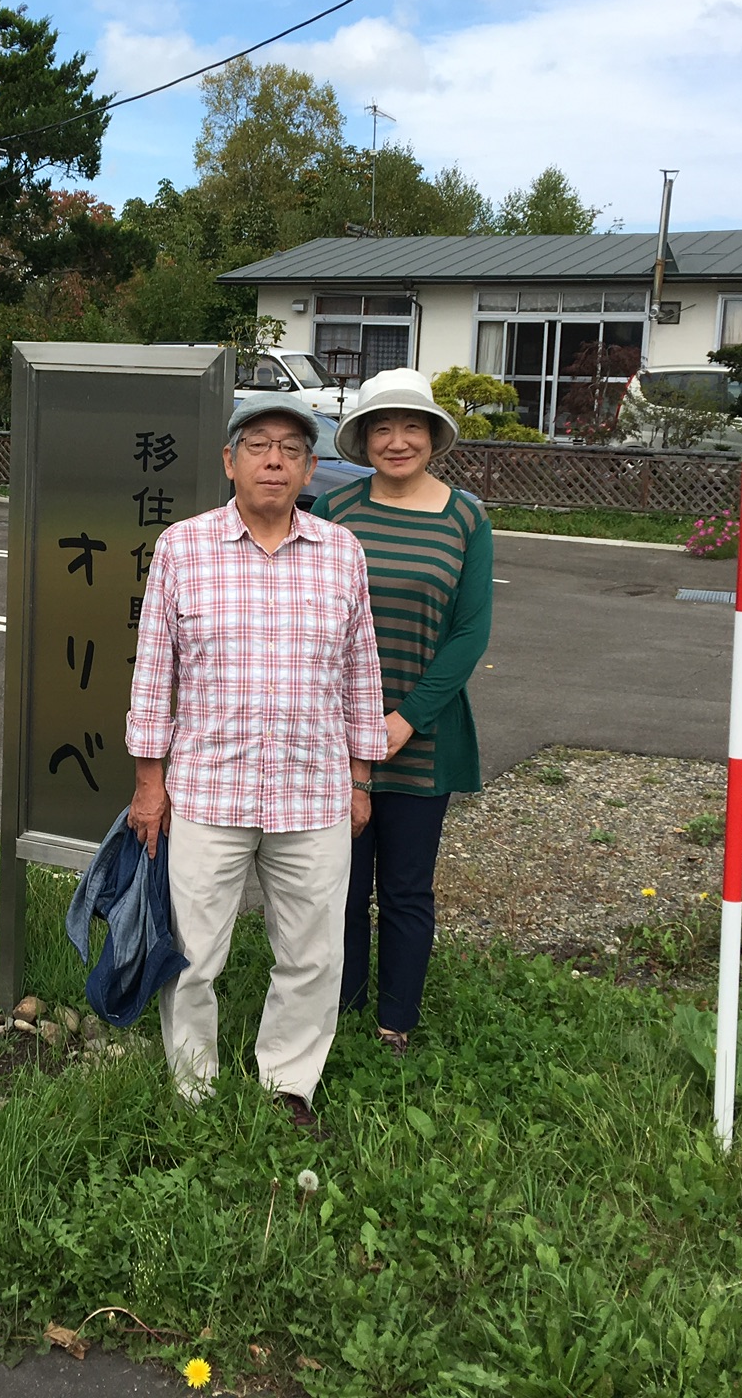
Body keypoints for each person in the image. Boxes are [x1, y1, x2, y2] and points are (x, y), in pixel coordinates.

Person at [125, 392, 388, 1125]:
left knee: (312, 953)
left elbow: (360, 670)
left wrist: (361, 776)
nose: (274, 460)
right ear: (229, 462)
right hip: (208, 788)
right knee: (193, 954)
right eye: (259, 446)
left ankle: (289, 1082)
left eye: (292, 449)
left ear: (309, 469)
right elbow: (154, 672)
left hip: (313, 791)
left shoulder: (340, 552)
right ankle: (193, 1085)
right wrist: (150, 783)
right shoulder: (183, 547)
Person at [313, 368, 493, 1054]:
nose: (396, 441)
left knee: (409, 886)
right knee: (340, 884)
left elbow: (470, 632)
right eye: (381, 428)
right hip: (335, 737)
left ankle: (396, 1023)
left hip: (425, 734)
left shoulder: (465, 517)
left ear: (432, 437)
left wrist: (406, 717)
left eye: (410, 427)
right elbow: (310, 622)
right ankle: (341, 1004)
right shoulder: (335, 514)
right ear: (362, 439)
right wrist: (352, 725)